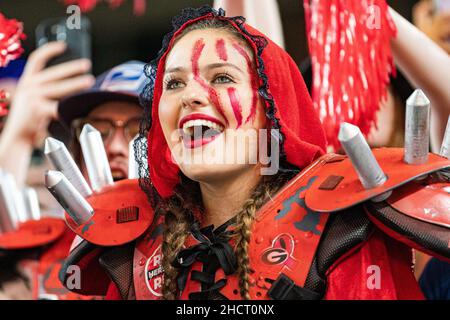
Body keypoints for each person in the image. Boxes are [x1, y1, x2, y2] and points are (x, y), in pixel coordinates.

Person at [57, 6, 449, 300]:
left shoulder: (342, 231)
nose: (191, 95)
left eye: (222, 77)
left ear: (273, 109)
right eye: (173, 84)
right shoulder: (131, 246)